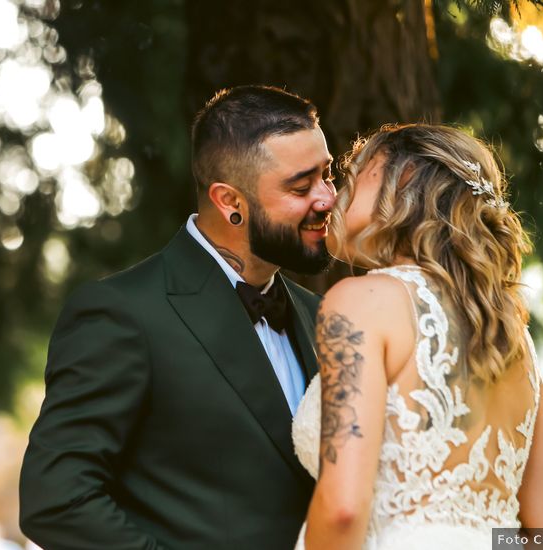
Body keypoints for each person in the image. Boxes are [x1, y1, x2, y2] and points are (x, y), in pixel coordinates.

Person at [19, 85, 337, 549]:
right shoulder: (122, 314)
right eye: (301, 185)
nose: (327, 198)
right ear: (230, 202)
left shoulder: (323, 316)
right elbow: (58, 499)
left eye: (328, 175)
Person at [291, 123, 543, 550]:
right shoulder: (509, 334)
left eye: (354, 172)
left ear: (404, 179)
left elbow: (343, 511)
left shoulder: (359, 301)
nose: (334, 194)